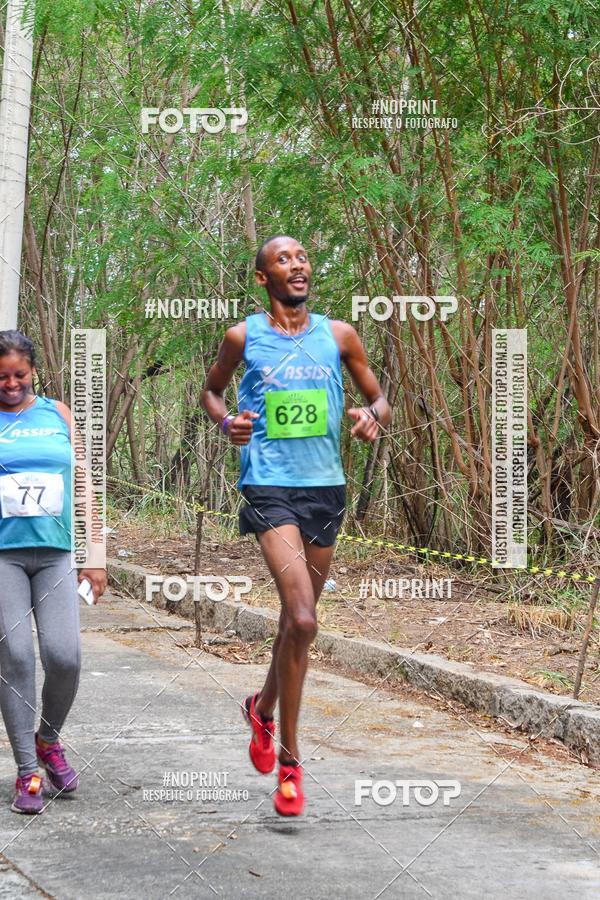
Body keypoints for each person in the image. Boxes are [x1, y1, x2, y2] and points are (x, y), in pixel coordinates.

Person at [202, 235, 391, 816]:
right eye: (283, 260)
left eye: (302, 257)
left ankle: (260, 709)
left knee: (296, 620)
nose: (298, 265)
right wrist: (228, 420)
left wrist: (369, 417)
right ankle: (290, 760)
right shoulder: (243, 336)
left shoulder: (338, 336)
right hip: (269, 486)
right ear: (264, 278)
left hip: (325, 488)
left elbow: (380, 400)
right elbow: (211, 392)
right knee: (304, 617)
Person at [0, 330, 107, 814]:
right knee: (17, 658)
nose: (10, 383)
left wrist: (96, 552)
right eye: (1, 376)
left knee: (65, 657)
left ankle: (49, 740)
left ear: (34, 372)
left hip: (57, 553)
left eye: (19, 374)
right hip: (4, 555)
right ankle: (27, 773)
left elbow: (84, 481)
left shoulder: (58, 414)